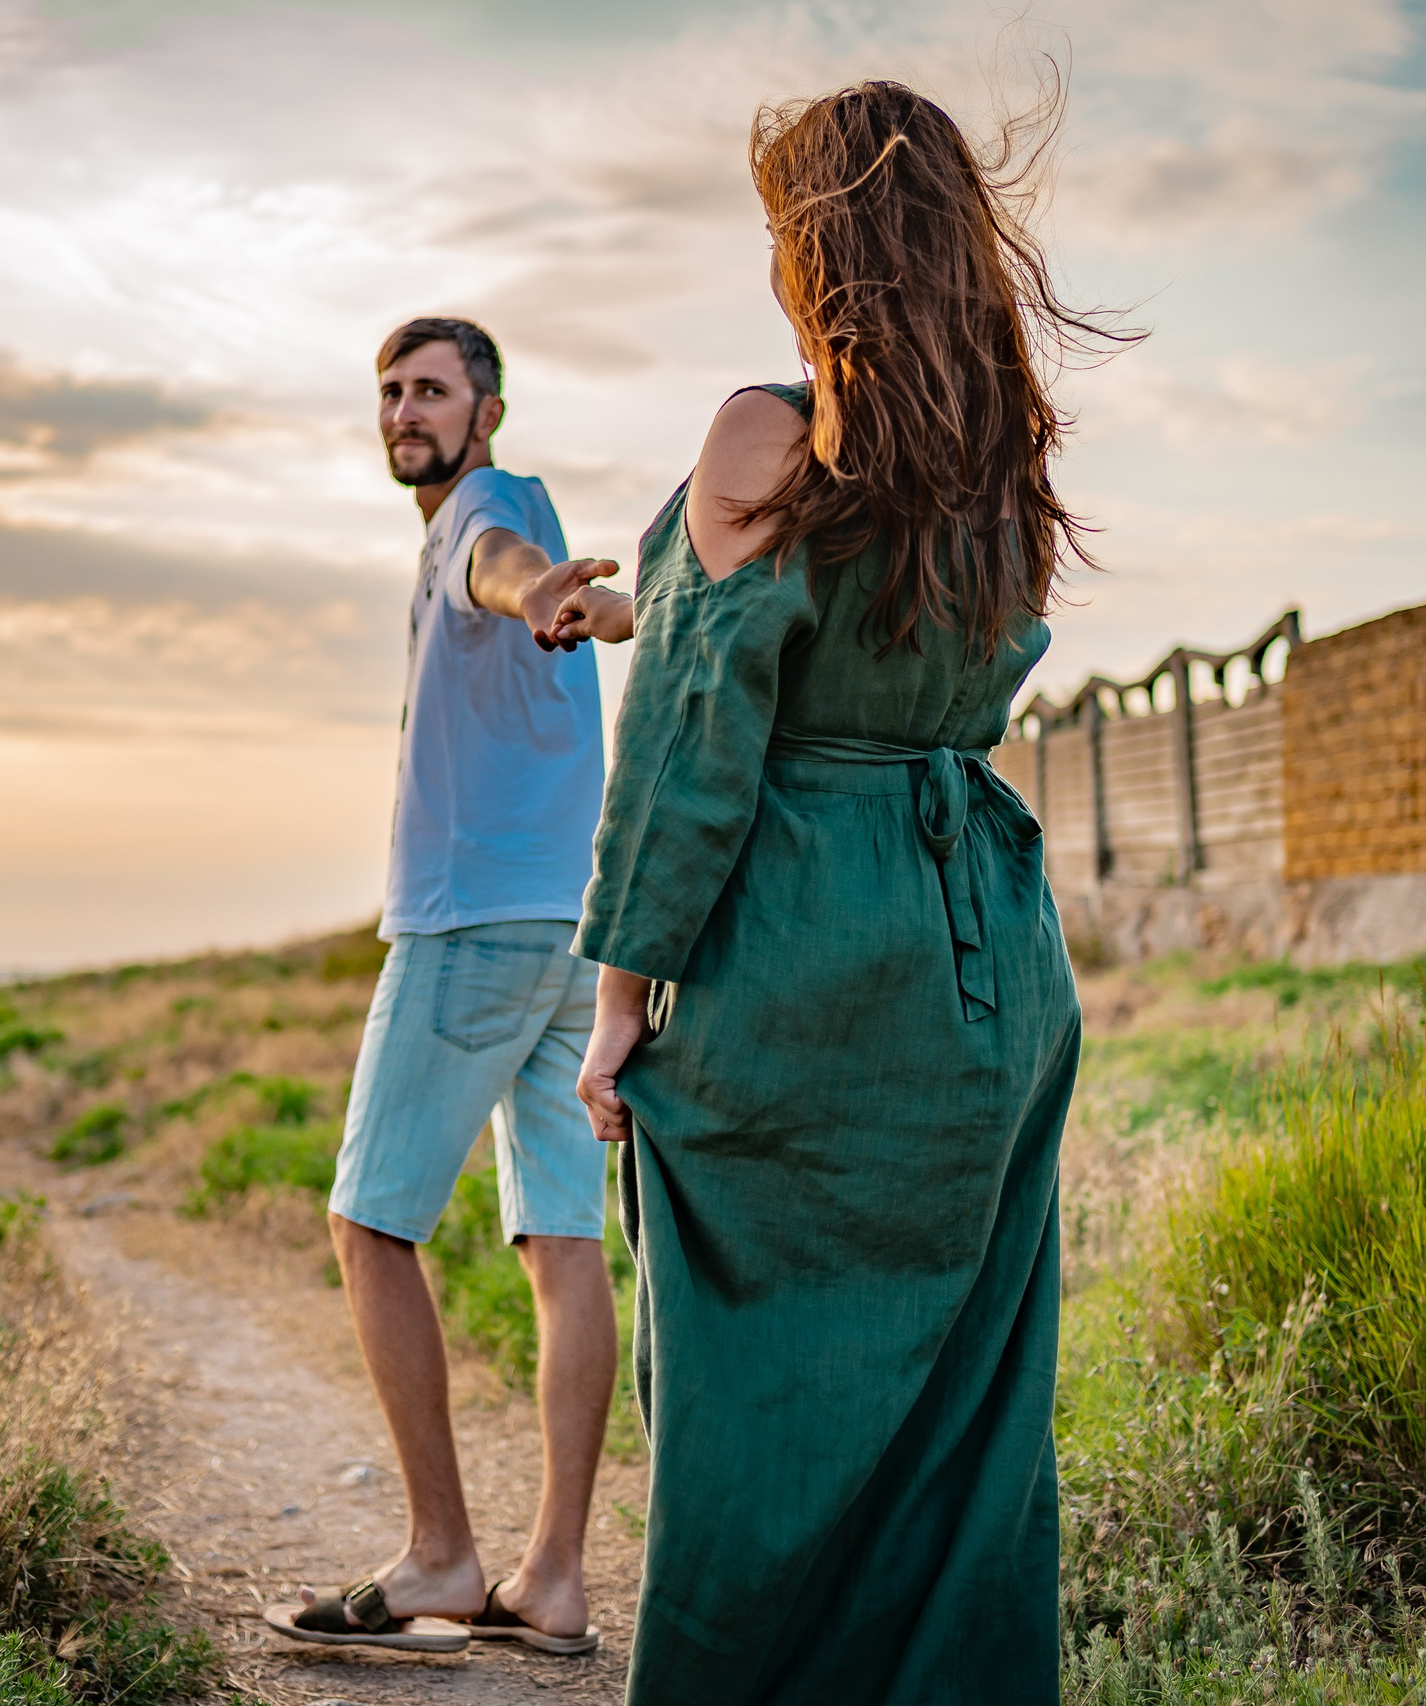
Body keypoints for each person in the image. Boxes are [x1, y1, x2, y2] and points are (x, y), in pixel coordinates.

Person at [550, 82, 1109, 1703]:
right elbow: (840, 637)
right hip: (989, 966)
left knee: (754, 1432)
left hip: (805, 955)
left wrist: (617, 1002)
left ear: (827, 249)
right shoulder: (1000, 460)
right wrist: (640, 596)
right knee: (965, 1429)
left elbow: (693, 746)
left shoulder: (761, 431)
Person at [265, 317, 628, 1658]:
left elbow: (502, 570)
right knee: (559, 1243)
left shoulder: (483, 516)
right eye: (390, 391)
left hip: (471, 923)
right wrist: (595, 605)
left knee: (371, 1226)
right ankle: (553, 1583)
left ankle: (437, 1556)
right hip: (574, 931)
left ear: (488, 408)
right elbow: (565, 591)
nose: (403, 410)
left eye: (430, 389)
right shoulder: (523, 514)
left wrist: (532, 592)